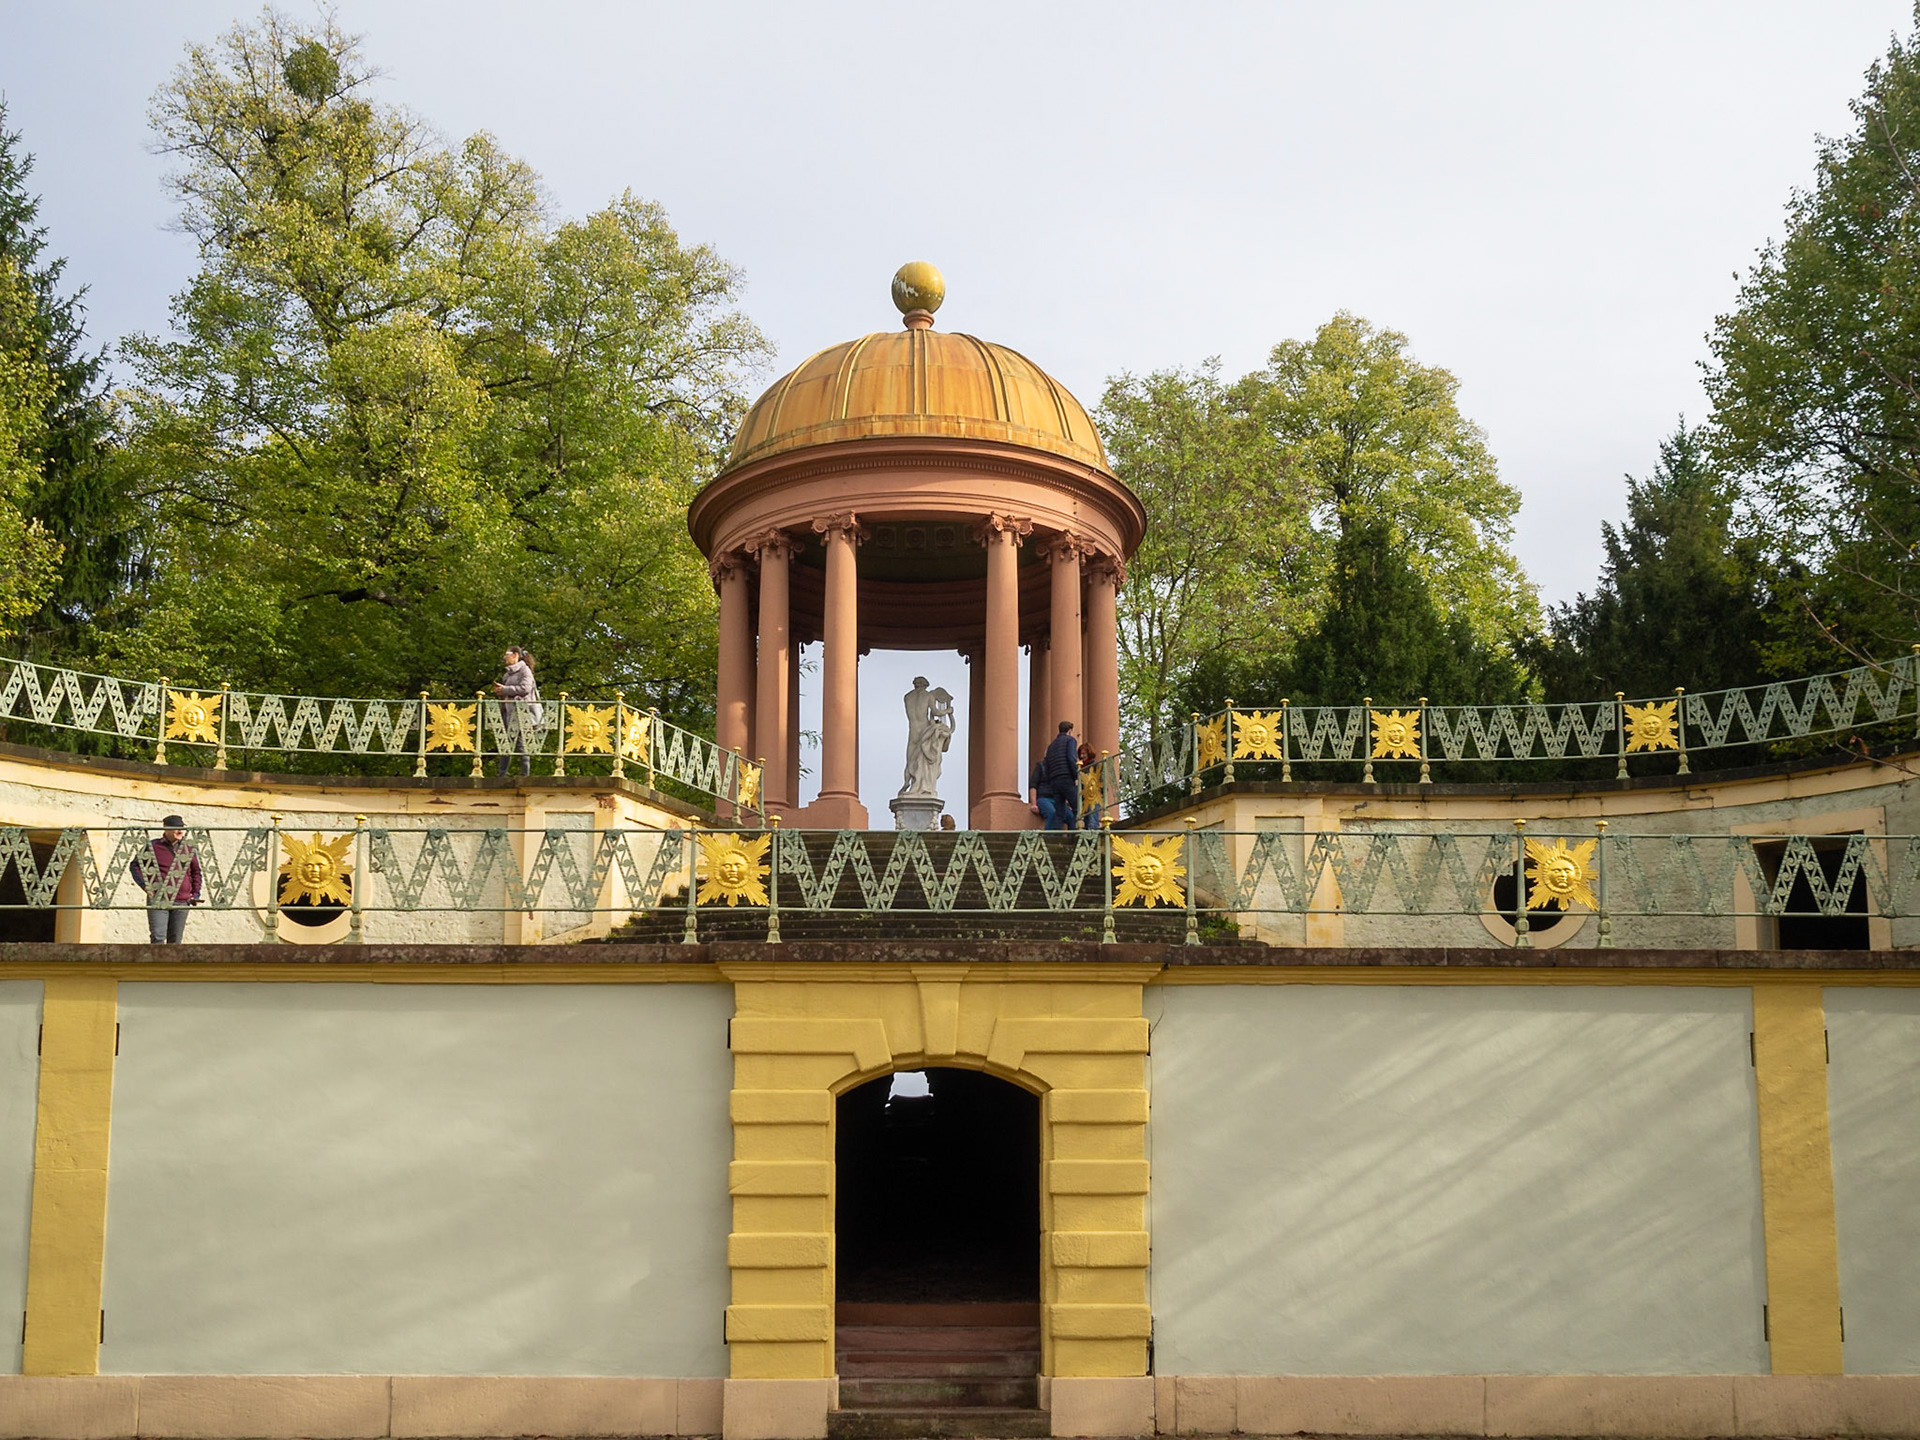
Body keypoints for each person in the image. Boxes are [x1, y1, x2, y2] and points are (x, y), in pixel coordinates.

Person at [130, 815, 201, 944]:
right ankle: (157, 965)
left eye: (181, 828)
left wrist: (195, 894)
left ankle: (173, 965)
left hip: (181, 900)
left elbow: (196, 872)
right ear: (166, 828)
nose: (180, 831)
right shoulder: (153, 846)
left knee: (175, 940)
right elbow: (135, 865)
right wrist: (145, 886)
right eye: (176, 828)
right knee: (158, 937)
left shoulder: (188, 849)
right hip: (158, 899)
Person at [492, 646, 540, 778]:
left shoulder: (525, 671)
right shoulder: (507, 674)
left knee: (519, 742)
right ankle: (504, 774)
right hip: (509, 713)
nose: (504, 657)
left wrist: (505, 690)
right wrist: (501, 692)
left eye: (506, 654)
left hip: (522, 713)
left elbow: (525, 688)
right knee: (508, 742)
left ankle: (522, 774)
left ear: (515, 655)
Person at [1040, 721, 1080, 831]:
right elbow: (1071, 758)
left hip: (1054, 780)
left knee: (1059, 811)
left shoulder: (1051, 746)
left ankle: (1055, 836)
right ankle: (1075, 835)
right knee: (1077, 806)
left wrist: (1050, 779)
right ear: (1070, 731)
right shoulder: (1070, 740)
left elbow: (1047, 763)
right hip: (1066, 777)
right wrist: (1076, 776)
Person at [1077, 741, 1104, 829]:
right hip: (1085, 797)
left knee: (1092, 822)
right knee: (1086, 822)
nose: (1081, 756)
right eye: (1081, 754)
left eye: (1084, 754)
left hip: (1094, 796)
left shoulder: (1095, 765)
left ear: (1089, 753)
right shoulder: (1080, 768)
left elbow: (1100, 781)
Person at [1027, 757, 1057, 828]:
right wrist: (1033, 804)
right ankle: (1048, 837)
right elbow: (1033, 785)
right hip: (1043, 798)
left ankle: (1072, 838)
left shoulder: (1058, 769)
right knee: (1052, 813)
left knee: (1070, 816)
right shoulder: (1041, 766)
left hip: (1056, 799)